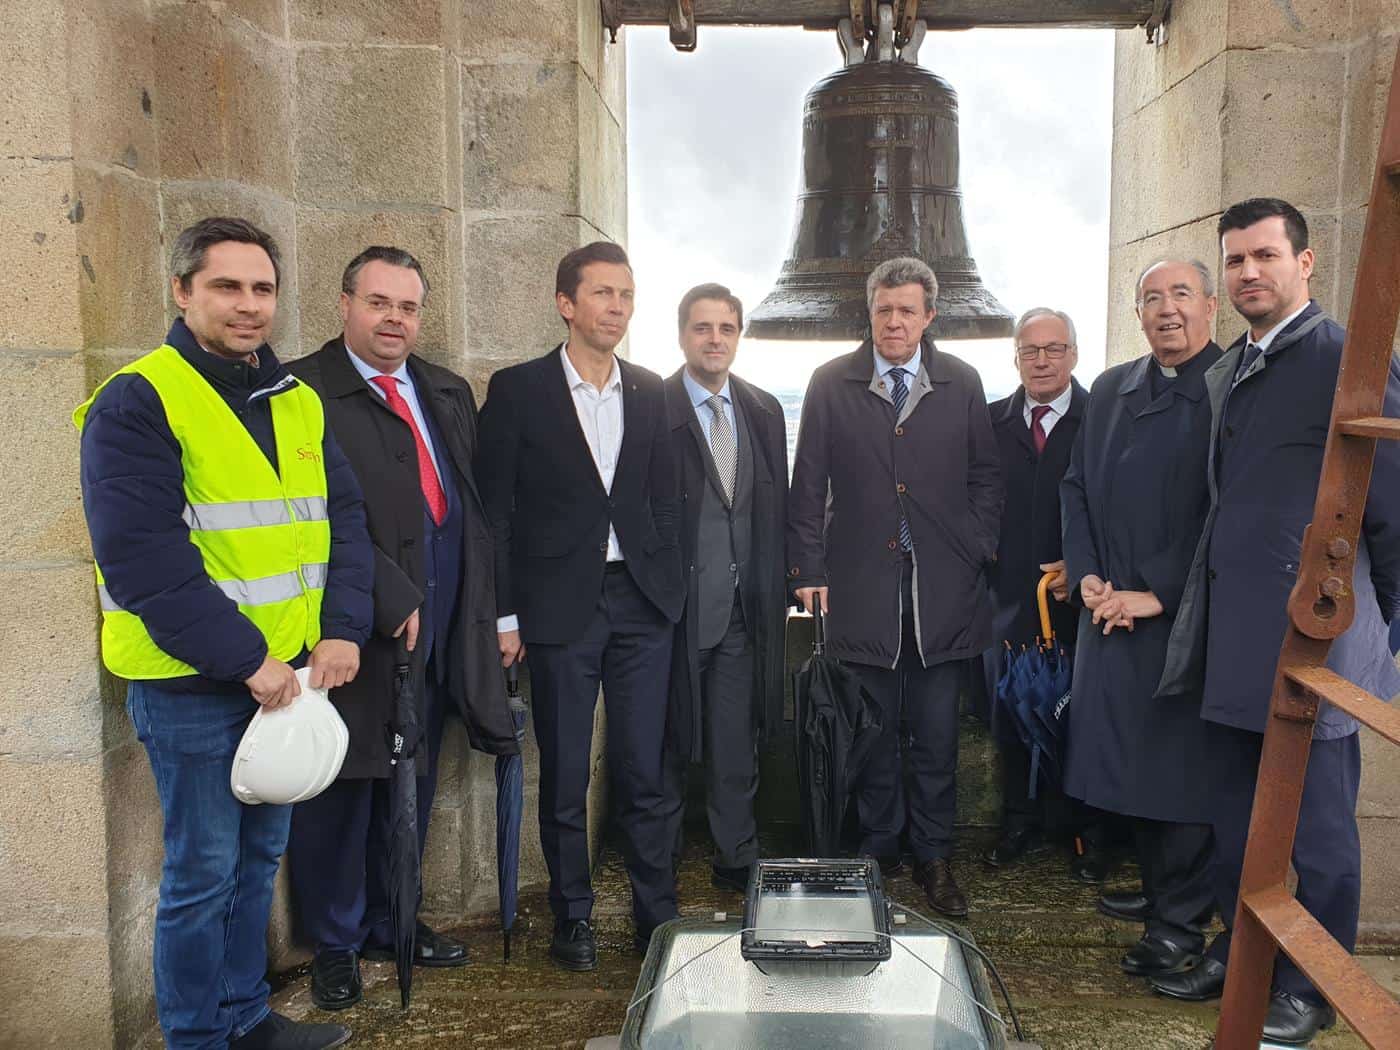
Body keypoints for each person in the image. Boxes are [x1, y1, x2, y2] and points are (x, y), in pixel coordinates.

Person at [74, 217, 372, 1050]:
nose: (249, 307)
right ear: (182, 291)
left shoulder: (296, 399)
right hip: (197, 686)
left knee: (252, 869)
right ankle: (198, 1039)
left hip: (286, 684)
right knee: (201, 877)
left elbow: (342, 521)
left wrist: (342, 630)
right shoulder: (140, 398)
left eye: (263, 289)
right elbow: (143, 562)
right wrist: (251, 661)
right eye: (226, 287)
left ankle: (246, 1020)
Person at [1150, 199, 1400, 1046]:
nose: (1249, 271)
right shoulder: (1238, 365)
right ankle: (1244, 955)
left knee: (1319, 833)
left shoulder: (1345, 358)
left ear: (1306, 262)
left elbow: (1394, 503)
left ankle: (1308, 987)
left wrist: (1391, 626)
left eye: (1265, 255)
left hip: (1314, 639)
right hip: (1234, 640)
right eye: (1235, 260)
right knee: (1233, 819)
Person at [284, 247, 520, 1009]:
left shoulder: (445, 390)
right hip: (354, 623)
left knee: (412, 776)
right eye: (380, 302)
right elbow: (307, 518)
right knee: (342, 788)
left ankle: (394, 917)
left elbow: (477, 512)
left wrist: (491, 613)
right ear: (345, 303)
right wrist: (387, 596)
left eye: (409, 307)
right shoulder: (303, 389)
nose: (395, 319)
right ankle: (334, 942)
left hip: (448, 618)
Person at [476, 241, 684, 970]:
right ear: (566, 303)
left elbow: (666, 497)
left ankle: (656, 916)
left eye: (626, 295)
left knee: (644, 769)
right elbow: (494, 513)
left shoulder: (655, 390)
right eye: (602, 294)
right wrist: (505, 616)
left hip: (641, 604)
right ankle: (574, 918)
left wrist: (669, 588)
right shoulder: (517, 390)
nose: (616, 308)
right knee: (565, 771)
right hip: (557, 610)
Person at [788, 256, 1002, 917]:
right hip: (860, 587)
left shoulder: (962, 382)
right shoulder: (830, 383)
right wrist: (810, 573)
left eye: (908, 310)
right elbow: (807, 484)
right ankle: (879, 850)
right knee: (873, 734)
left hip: (944, 592)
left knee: (936, 735)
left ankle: (934, 858)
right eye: (884, 310)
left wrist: (973, 547)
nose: (895, 321)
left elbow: (985, 479)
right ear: (870, 313)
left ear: (930, 315)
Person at [1061, 257, 1225, 985]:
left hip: (1184, 619)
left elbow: (1230, 510)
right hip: (1109, 612)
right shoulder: (1108, 389)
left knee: (1181, 774)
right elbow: (1077, 489)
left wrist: (1154, 592)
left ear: (1210, 306)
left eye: (1181, 295)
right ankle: (1163, 894)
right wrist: (1090, 575)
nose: (1167, 310)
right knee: (1128, 766)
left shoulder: (1229, 391)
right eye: (1152, 298)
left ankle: (1179, 925)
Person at [662, 283, 789, 892]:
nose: (715, 340)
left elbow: (776, 508)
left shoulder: (764, 410)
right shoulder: (652, 406)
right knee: (663, 737)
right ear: (682, 333)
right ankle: (655, 854)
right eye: (702, 328)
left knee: (736, 740)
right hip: (675, 610)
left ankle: (736, 854)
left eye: (727, 329)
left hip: (745, 608)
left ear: (739, 336)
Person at [980, 308, 1113, 882]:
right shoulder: (988, 423)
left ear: (1074, 355)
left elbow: (1121, 507)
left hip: (1082, 598)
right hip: (1007, 597)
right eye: (1030, 350)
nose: (1041, 360)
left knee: (1082, 714)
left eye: (1054, 349)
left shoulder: (1104, 420)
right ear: (1015, 357)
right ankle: (1018, 821)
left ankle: (1084, 828)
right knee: (1011, 709)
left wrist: (1083, 566)